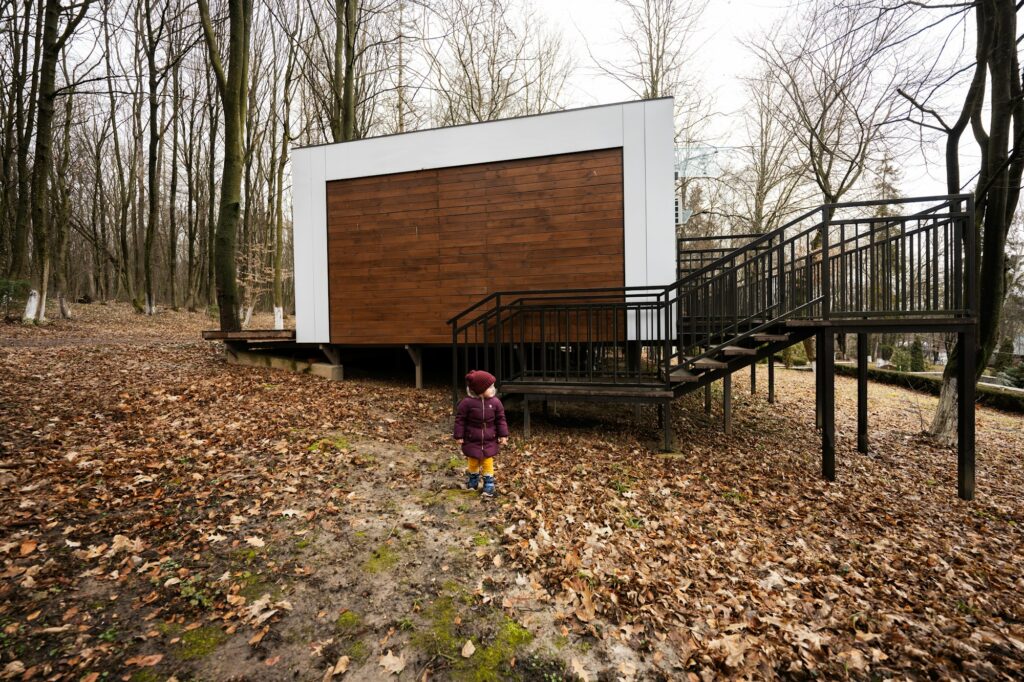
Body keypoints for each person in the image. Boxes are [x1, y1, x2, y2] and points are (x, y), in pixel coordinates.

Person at [453, 370, 508, 497]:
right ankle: (473, 481)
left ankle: (488, 484)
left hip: (489, 439)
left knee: (488, 461)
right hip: (472, 438)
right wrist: (459, 435)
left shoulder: (495, 402)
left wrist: (503, 435)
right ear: (480, 389)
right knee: (473, 461)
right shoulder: (467, 403)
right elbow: (460, 419)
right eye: (490, 387)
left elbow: (501, 419)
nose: (493, 389)